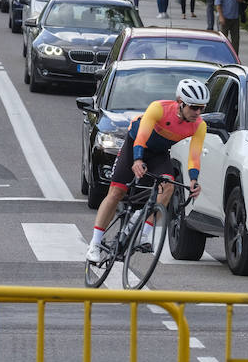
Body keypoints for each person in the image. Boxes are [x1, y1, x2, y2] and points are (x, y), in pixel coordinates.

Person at [86, 78, 208, 265]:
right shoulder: (158, 108)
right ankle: (94, 244)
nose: (198, 112)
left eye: (202, 108)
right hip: (135, 145)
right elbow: (141, 137)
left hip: (159, 153)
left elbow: (194, 156)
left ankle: (144, 230)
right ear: (180, 103)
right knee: (116, 192)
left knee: (168, 186)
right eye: (193, 107)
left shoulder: (199, 125)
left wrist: (194, 180)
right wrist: (137, 160)